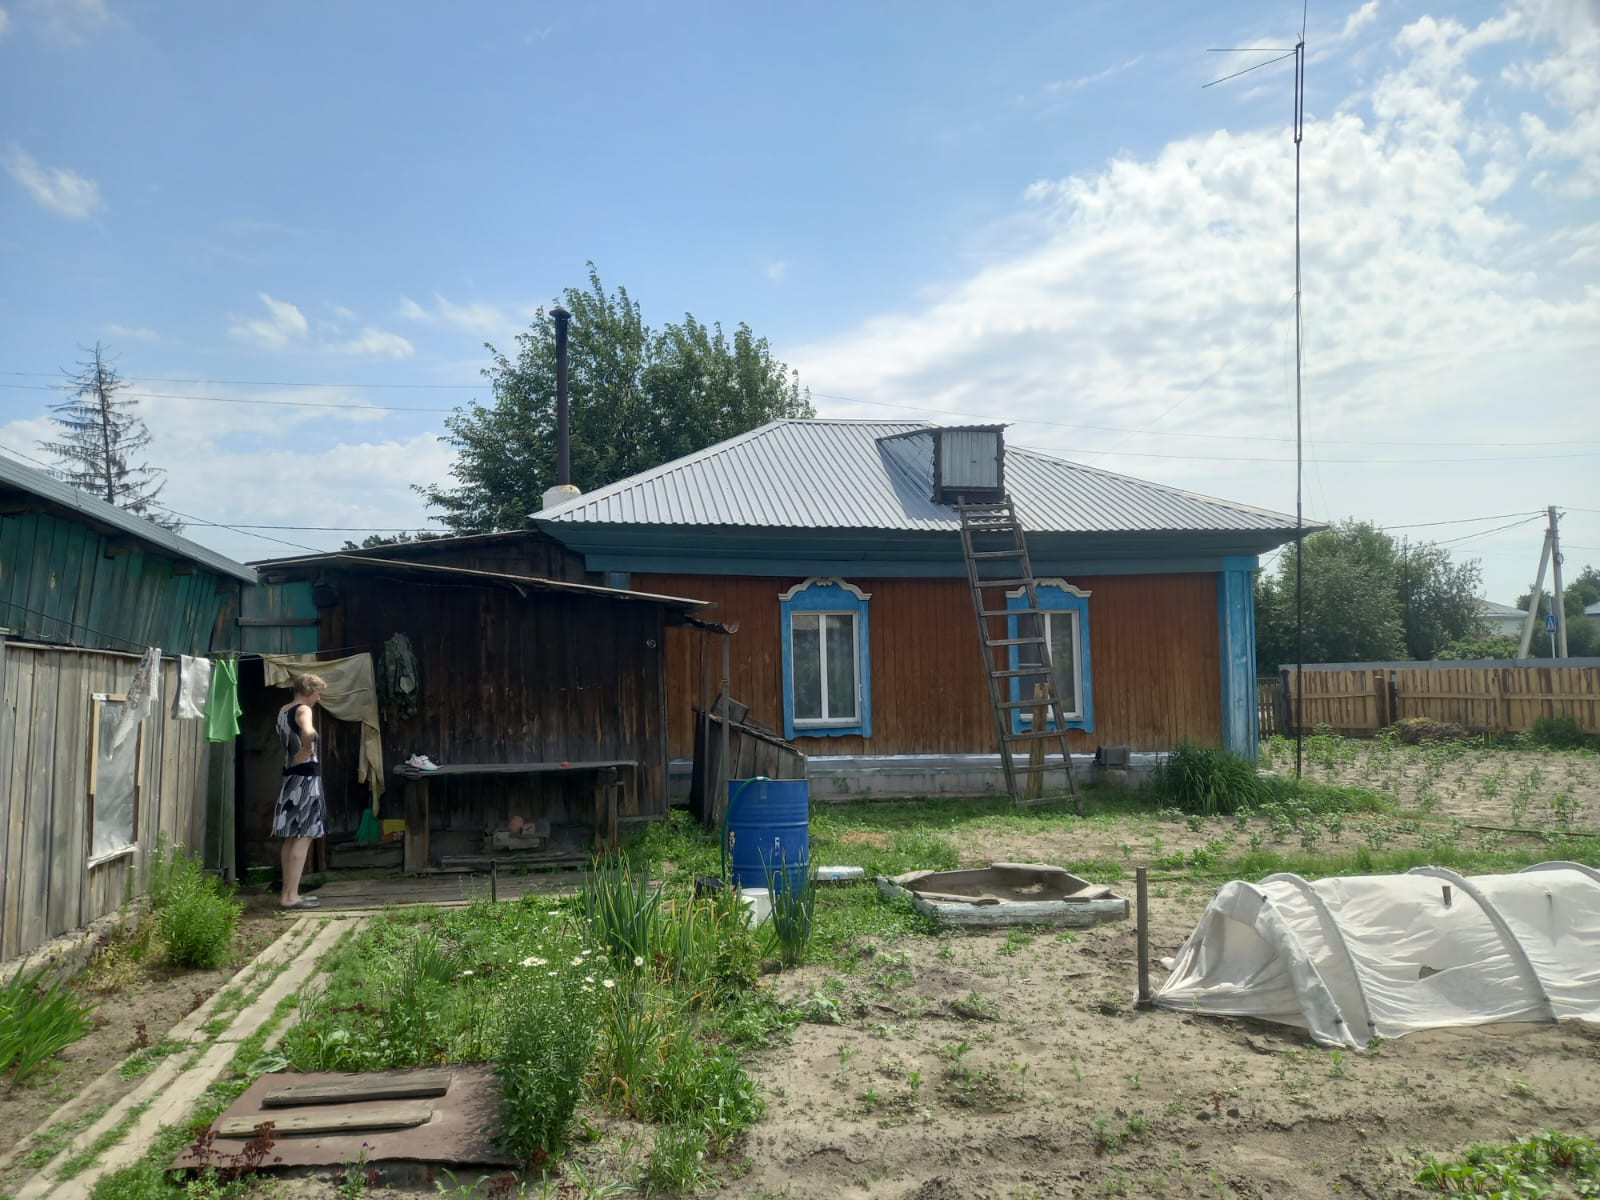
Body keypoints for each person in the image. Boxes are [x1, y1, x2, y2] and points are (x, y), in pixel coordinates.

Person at [275, 672, 327, 909]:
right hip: (305, 779)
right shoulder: (303, 710)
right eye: (318, 693)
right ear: (309, 691)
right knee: (304, 835)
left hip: (290, 776)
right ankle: (291, 897)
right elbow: (309, 732)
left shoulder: (283, 710)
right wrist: (307, 748)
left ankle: (288, 894)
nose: (318, 698)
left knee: (290, 837)